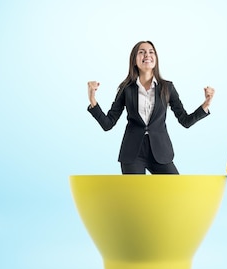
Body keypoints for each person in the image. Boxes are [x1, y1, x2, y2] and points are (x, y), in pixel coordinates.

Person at [87, 41, 215, 174]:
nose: (147, 55)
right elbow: (108, 123)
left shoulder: (167, 88)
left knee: (176, 189)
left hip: (160, 152)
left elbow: (185, 121)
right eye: (141, 52)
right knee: (137, 194)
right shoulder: (126, 89)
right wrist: (92, 99)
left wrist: (206, 103)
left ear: (156, 59)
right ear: (134, 60)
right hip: (132, 153)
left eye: (151, 52)